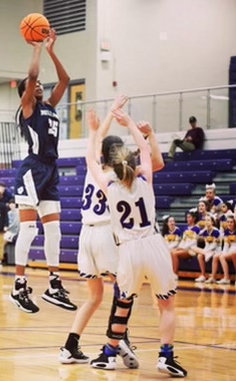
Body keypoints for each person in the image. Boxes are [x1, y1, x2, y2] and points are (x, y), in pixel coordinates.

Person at [59, 95, 164, 367]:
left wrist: (102, 121)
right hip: (107, 234)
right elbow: (156, 164)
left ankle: (70, 346)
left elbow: (96, 140)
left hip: (85, 236)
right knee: (124, 292)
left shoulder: (93, 169)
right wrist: (143, 133)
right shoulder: (121, 176)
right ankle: (118, 343)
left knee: (95, 296)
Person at [85, 108, 187, 377]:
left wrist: (95, 131)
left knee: (123, 304)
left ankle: (109, 353)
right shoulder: (145, 178)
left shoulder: (109, 186)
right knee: (166, 305)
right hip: (152, 244)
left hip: (128, 250)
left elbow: (90, 161)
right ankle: (166, 356)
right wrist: (129, 122)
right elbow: (145, 149)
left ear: (108, 161)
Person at [9, 29, 76, 314]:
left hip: (51, 170)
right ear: (26, 90)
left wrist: (50, 49)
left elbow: (65, 80)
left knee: (55, 231)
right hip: (32, 170)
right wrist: (36, 48)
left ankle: (53, 283)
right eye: (33, 85)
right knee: (28, 229)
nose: (39, 87)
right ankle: (19, 285)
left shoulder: (50, 106)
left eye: (38, 85)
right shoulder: (28, 108)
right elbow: (33, 76)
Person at [189, 214, 221, 283]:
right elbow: (197, 236)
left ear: (212, 222)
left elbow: (216, 245)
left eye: (208, 220)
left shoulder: (216, 231)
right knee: (197, 252)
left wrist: (207, 251)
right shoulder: (204, 231)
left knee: (201, 254)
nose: (206, 222)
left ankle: (213, 277)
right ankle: (203, 275)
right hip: (207, 252)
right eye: (205, 220)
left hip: (215, 250)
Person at [205, 215, 236, 284]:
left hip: (234, 251)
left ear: (234, 223)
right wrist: (224, 253)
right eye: (228, 222)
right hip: (230, 251)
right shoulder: (226, 232)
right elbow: (226, 246)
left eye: (231, 222)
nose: (229, 224)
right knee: (216, 256)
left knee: (223, 256)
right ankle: (213, 277)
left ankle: (226, 278)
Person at [171, 210, 201, 278]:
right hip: (184, 248)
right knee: (171, 252)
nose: (187, 219)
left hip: (191, 249)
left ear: (194, 218)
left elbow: (193, 242)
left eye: (189, 217)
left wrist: (183, 248)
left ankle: (175, 273)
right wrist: (179, 247)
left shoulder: (197, 229)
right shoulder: (186, 228)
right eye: (187, 217)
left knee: (174, 254)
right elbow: (183, 240)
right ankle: (170, 272)